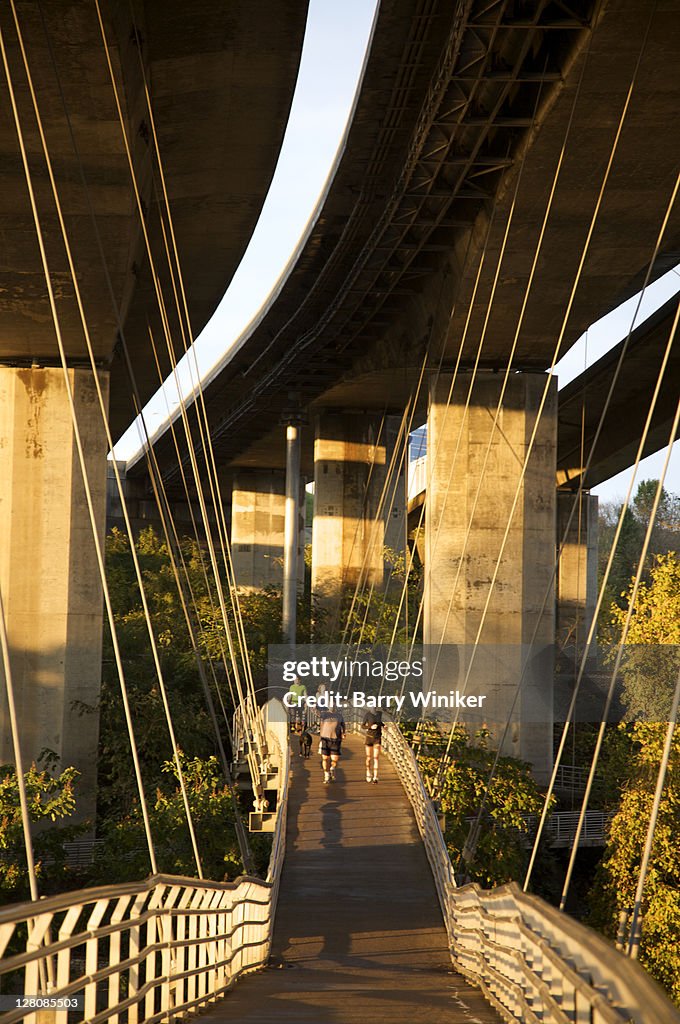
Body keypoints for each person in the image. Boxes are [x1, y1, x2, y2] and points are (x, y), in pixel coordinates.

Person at [318, 708, 345, 784]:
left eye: (333, 705)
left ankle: (332, 769)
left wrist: (344, 733)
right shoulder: (324, 714)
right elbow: (317, 713)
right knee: (325, 758)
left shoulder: (339, 716)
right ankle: (326, 774)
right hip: (325, 739)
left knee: (334, 759)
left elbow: (343, 725)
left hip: (336, 739)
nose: (332, 707)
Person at [362, 709, 383, 783]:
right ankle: (368, 772)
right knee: (368, 757)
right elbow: (363, 726)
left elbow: (380, 722)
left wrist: (384, 725)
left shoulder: (380, 713)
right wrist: (370, 727)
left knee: (376, 758)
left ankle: (375, 777)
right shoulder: (367, 714)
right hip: (369, 738)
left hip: (377, 738)